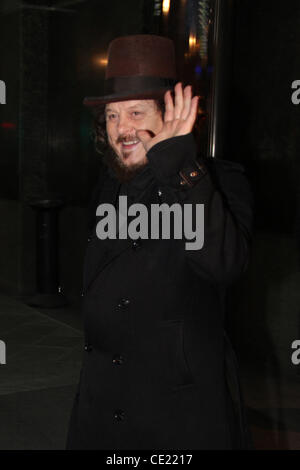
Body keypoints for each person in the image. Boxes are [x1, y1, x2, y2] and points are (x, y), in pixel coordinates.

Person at [66, 34, 253, 450]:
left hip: (174, 419)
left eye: (135, 112)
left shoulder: (218, 182)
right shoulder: (109, 185)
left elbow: (226, 264)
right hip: (101, 406)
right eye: (112, 117)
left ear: (171, 113)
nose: (121, 129)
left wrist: (180, 166)